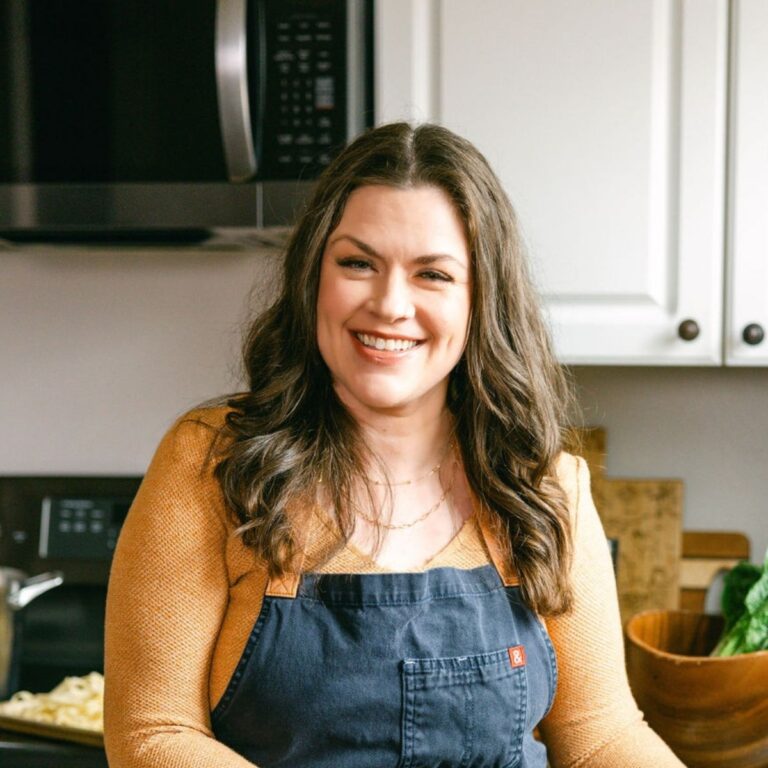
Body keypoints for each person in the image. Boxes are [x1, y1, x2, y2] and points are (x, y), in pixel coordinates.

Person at [104, 122, 685, 768]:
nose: (389, 304)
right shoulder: (212, 465)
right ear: (313, 276)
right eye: (357, 263)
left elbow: (601, 733)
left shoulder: (542, 485)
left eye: (432, 274)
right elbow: (152, 733)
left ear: (480, 301)